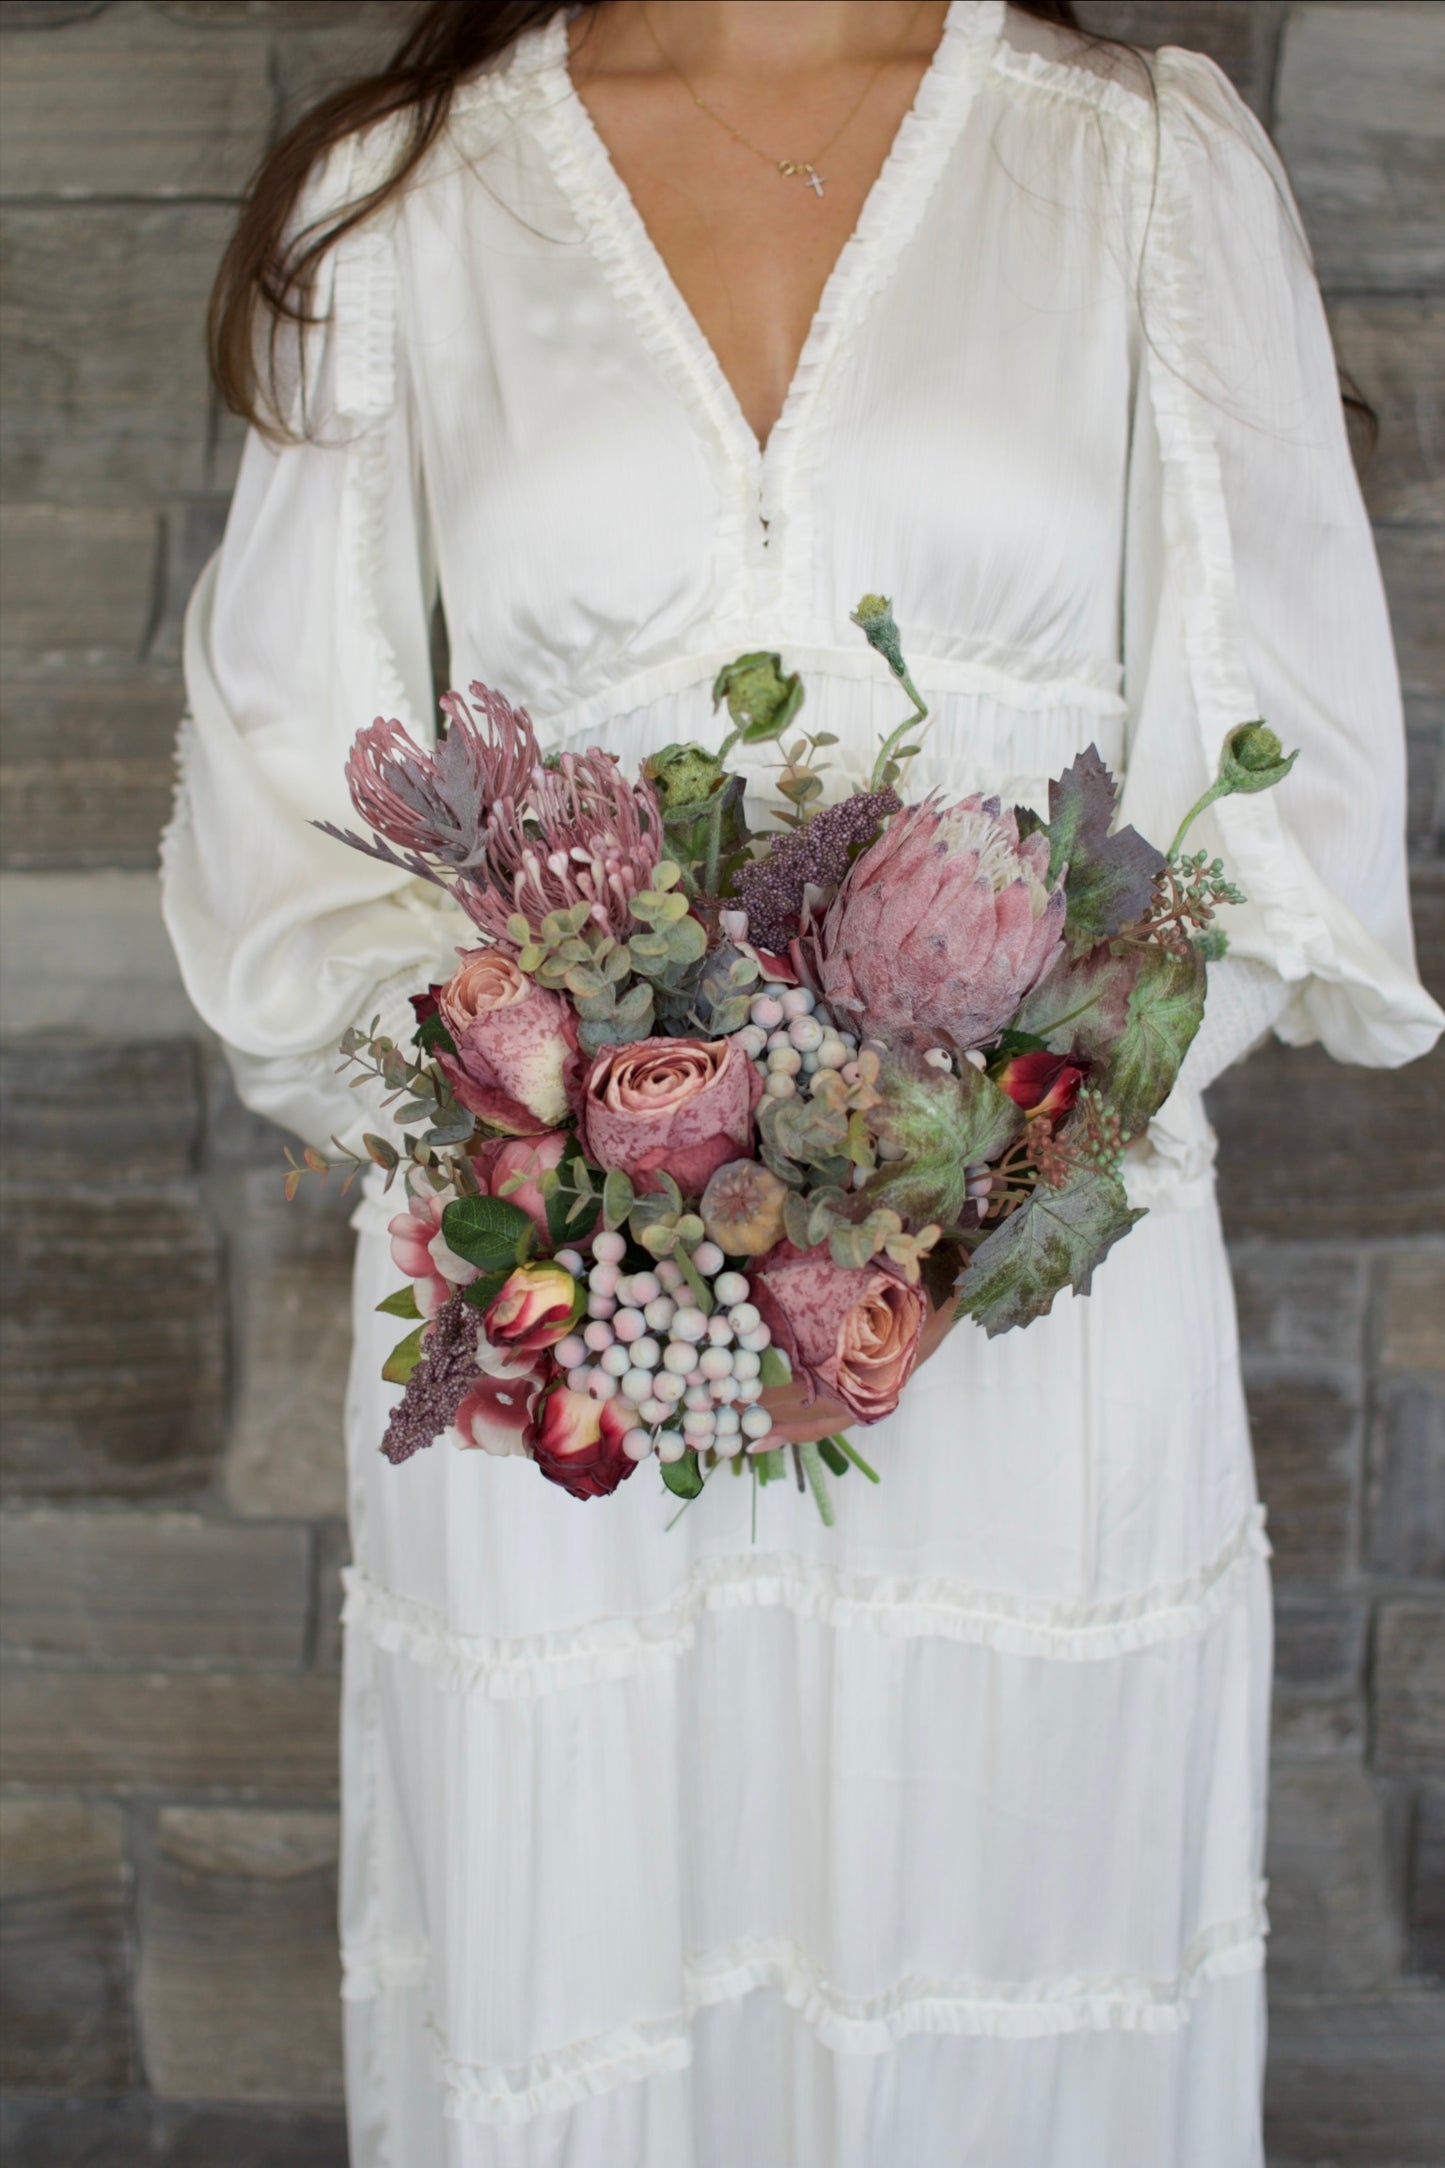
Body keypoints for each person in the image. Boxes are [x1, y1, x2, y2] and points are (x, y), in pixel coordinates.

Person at [160, 3, 1442, 2161]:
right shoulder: (395, 204)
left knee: (1011, 2017)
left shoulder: (1140, 167)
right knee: (600, 2016)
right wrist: (585, 1165)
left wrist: (956, 1220)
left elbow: (1272, 819)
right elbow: (286, 834)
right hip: (580, 1395)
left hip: (1031, 1360)